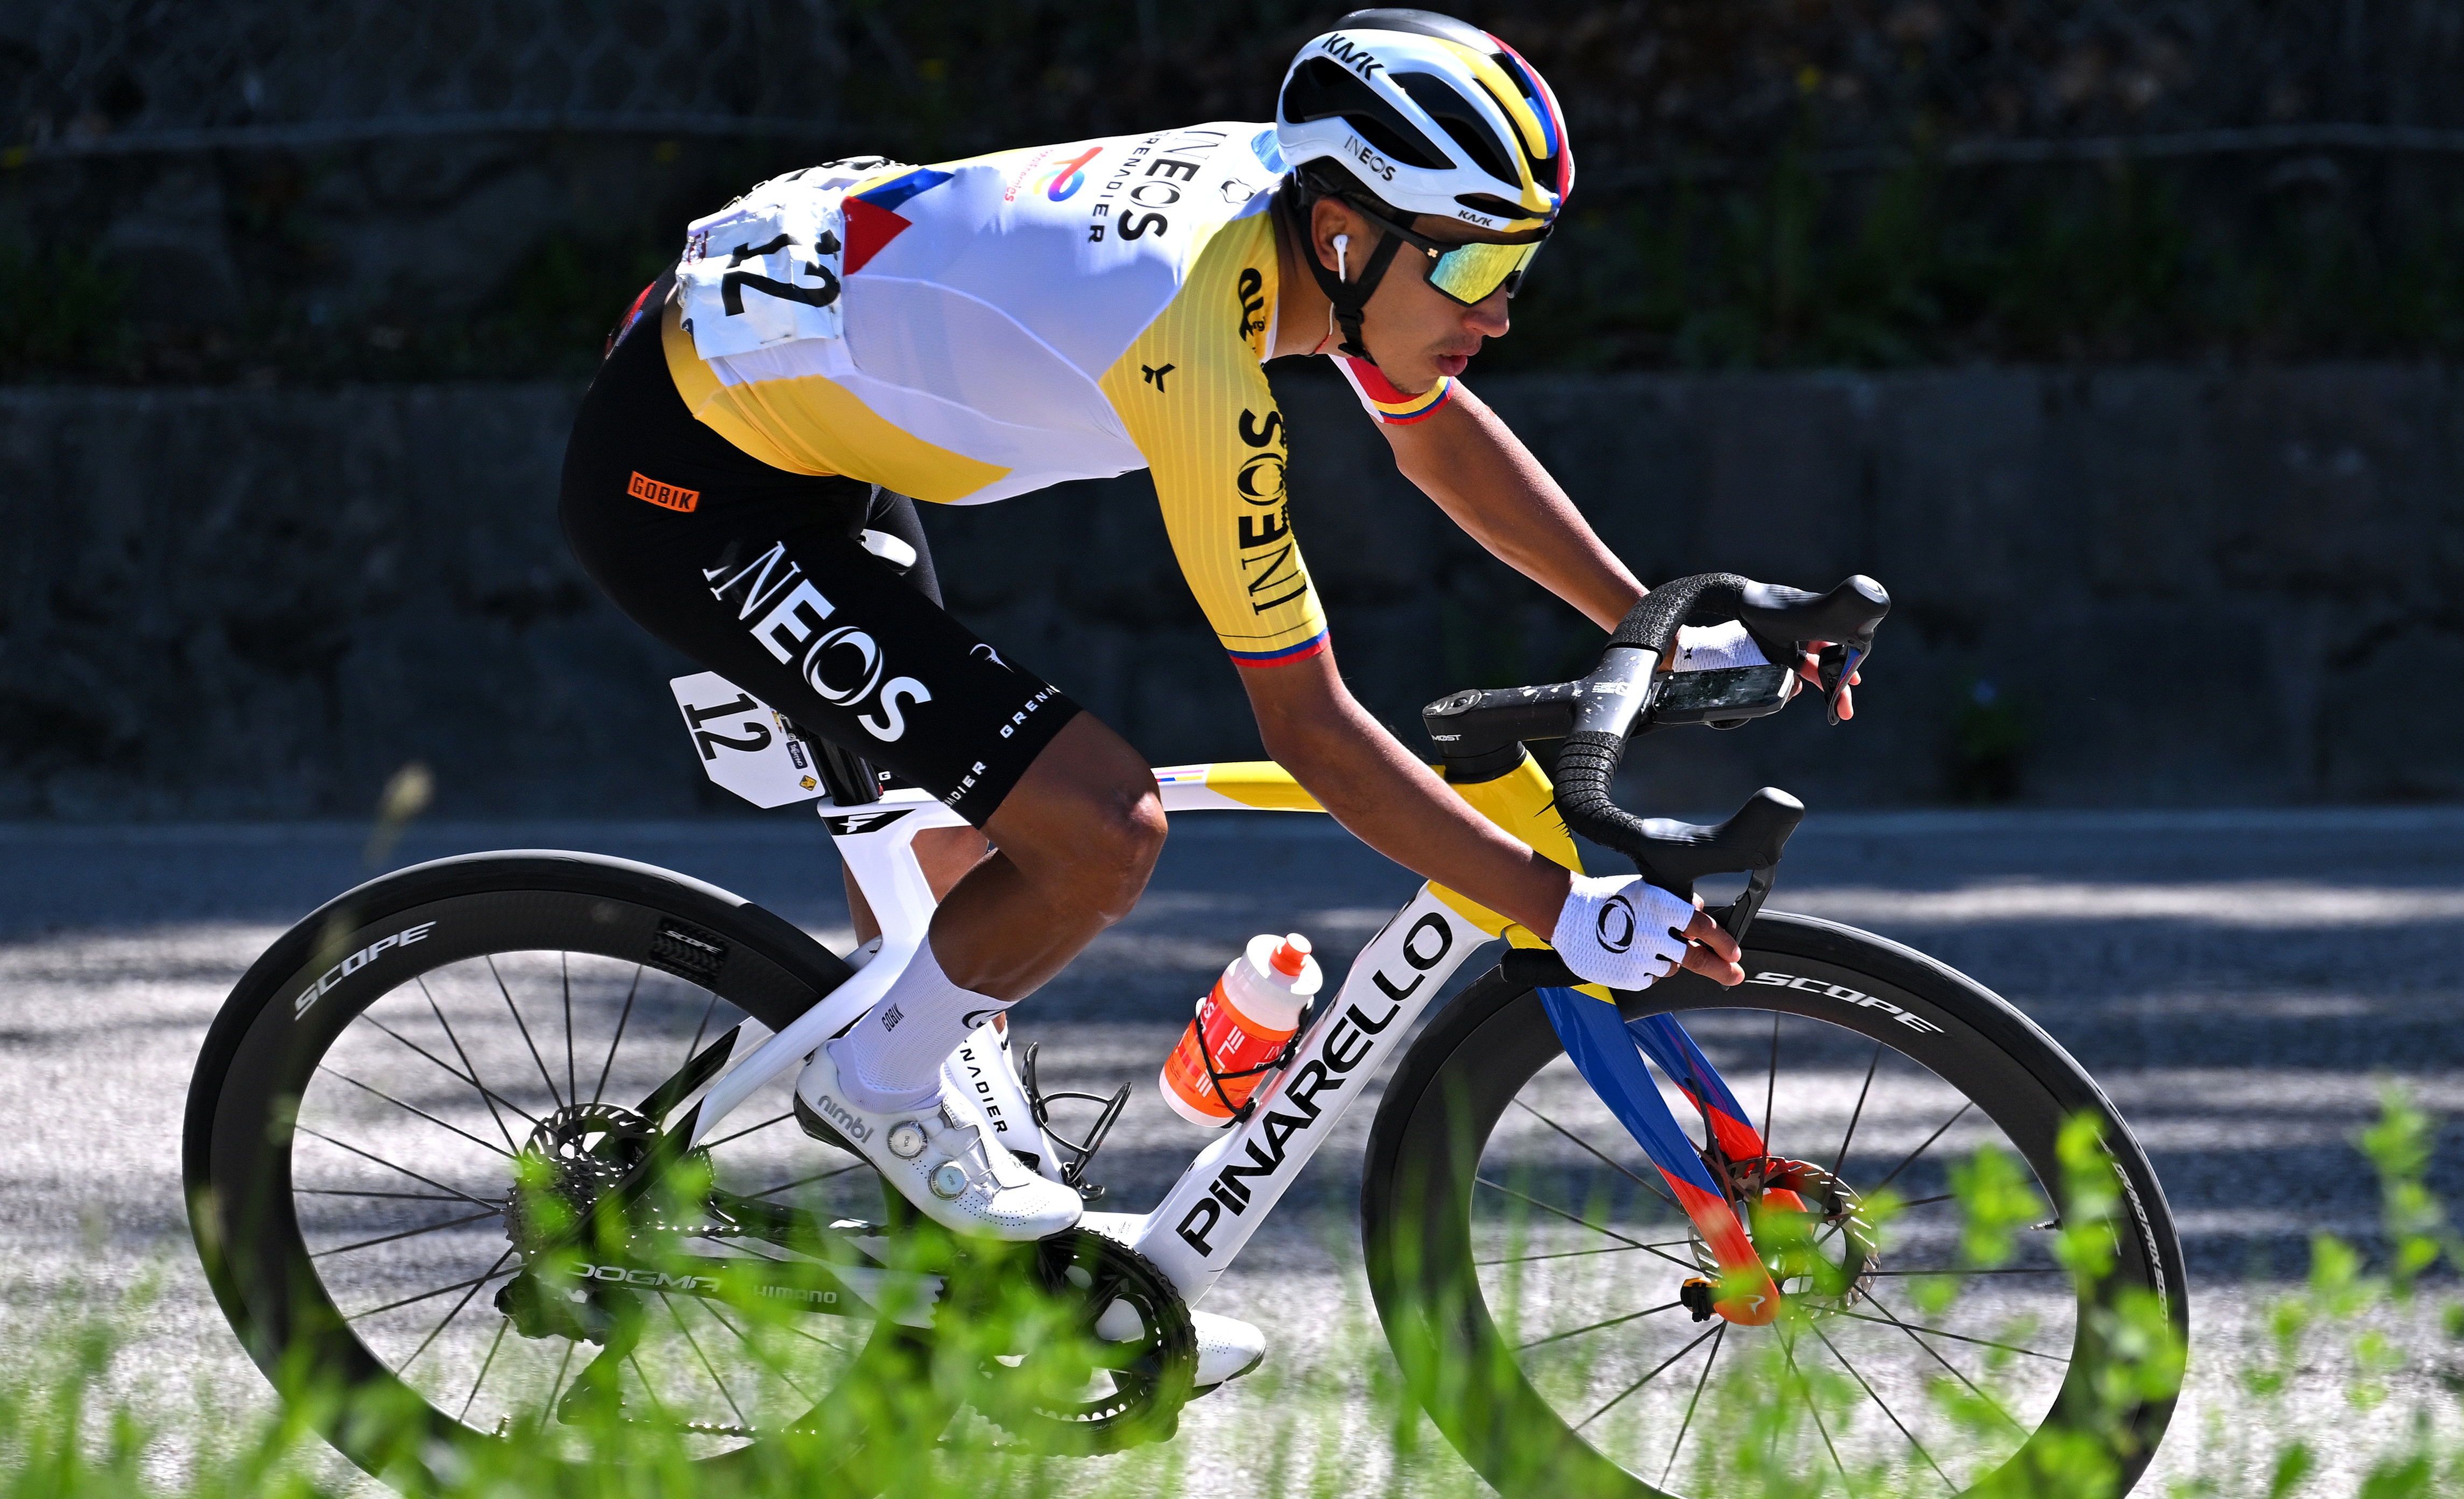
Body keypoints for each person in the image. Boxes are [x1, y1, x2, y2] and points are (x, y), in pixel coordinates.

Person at [560, 11, 1856, 1262]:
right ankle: (873, 1085)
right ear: (1345, 238)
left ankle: (942, 1248)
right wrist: (1558, 909)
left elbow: (1428, 422)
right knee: (1095, 828)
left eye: (1515, 266)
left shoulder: (1299, 204)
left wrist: (1653, 626)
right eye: (1470, 266)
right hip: (689, 484)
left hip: (798, 389)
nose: (1501, 309)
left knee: (958, 891)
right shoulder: (1187, 342)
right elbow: (1311, 728)